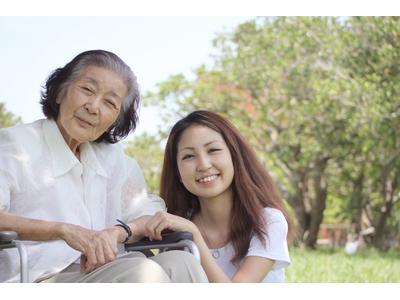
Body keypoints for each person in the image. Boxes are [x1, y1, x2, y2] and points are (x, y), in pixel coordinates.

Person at [0, 50, 207, 283]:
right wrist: (61, 230)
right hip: (39, 277)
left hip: (106, 270)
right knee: (143, 273)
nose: (93, 107)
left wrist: (119, 232)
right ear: (60, 92)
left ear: (116, 119)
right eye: (87, 90)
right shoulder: (14, 145)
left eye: (109, 102)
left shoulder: (114, 161)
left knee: (181, 261)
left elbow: (148, 216)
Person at [143, 110, 293, 282]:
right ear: (178, 172)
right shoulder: (175, 228)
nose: (204, 165)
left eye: (213, 150)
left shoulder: (268, 222)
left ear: (234, 156)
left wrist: (193, 235)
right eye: (189, 156)